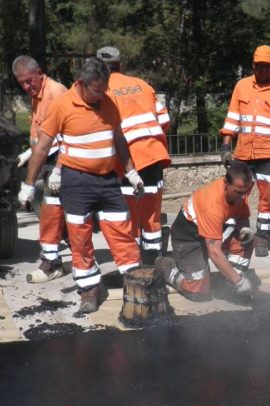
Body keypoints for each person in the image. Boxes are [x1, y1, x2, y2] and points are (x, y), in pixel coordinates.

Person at [22, 57, 142, 314]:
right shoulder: (62, 106)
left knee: (122, 228)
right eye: (97, 90)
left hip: (108, 180)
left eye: (104, 89)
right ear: (81, 84)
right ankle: (89, 290)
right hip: (76, 182)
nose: (102, 95)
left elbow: (119, 139)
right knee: (79, 238)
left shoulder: (108, 103)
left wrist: (131, 172)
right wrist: (29, 184)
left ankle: (135, 281)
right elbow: (43, 147)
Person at [220, 45, 270, 257]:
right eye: (259, 66)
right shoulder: (242, 86)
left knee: (267, 197)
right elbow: (232, 118)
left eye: (267, 66)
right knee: (237, 196)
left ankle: (262, 238)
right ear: (253, 66)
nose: (263, 70)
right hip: (244, 152)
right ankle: (239, 236)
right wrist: (226, 145)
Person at [96, 46, 171, 265]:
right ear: (121, 65)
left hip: (126, 161)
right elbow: (164, 121)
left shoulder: (102, 91)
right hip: (154, 155)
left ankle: (134, 263)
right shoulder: (142, 85)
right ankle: (154, 262)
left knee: (129, 214)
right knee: (151, 213)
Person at [155, 161, 257, 301]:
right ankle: (164, 264)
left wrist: (247, 237)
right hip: (189, 237)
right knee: (199, 292)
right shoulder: (212, 205)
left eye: (245, 192)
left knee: (247, 239)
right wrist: (239, 282)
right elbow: (214, 252)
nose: (242, 197)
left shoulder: (239, 193)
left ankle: (229, 282)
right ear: (226, 183)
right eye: (238, 192)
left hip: (212, 231)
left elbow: (242, 217)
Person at [13, 55, 69, 283]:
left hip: (59, 162)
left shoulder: (56, 93)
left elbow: (69, 136)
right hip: (48, 160)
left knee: (52, 214)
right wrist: (29, 151)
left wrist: (58, 170)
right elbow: (40, 135)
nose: (27, 87)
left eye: (29, 81)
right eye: (22, 83)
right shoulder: (38, 95)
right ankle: (60, 259)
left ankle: (52, 264)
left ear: (39, 73)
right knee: (54, 215)